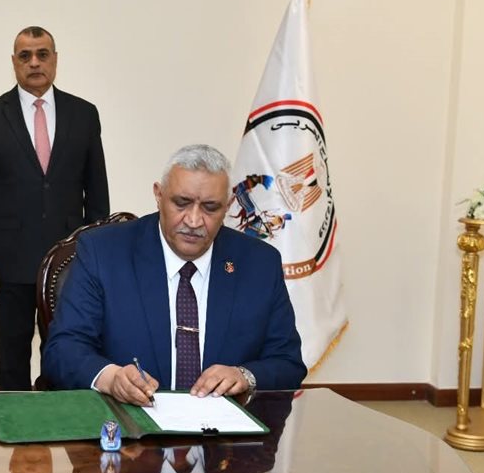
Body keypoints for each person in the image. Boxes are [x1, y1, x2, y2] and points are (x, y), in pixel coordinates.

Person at [42, 144, 305, 402]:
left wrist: (245, 375)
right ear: (158, 195)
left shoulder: (260, 264)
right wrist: (111, 378)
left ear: (227, 206)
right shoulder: (103, 252)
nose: (193, 221)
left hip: (225, 427)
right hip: (127, 424)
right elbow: (62, 349)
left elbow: (287, 362)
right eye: (181, 203)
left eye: (210, 207)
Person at [0, 25, 109, 389]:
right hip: (9, 262)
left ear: (55, 60)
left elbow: (97, 193)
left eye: (42, 54)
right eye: (25, 56)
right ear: (14, 62)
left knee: (65, 355)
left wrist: (98, 259)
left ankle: (61, 421)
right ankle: (13, 423)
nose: (34, 63)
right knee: (13, 358)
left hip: (70, 264)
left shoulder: (84, 114)